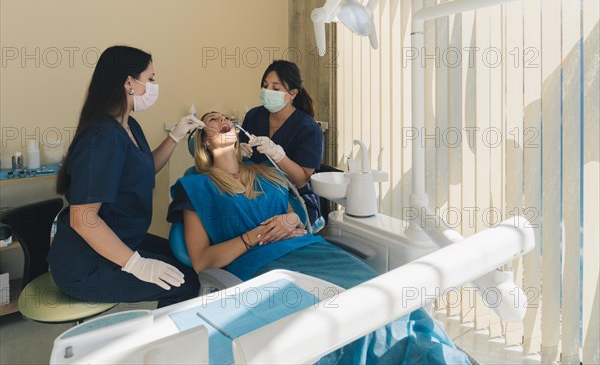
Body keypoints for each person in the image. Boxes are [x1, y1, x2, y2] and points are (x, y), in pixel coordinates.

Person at [167, 111, 471, 364]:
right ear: (203, 141)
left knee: (390, 301)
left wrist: (293, 218)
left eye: (226, 117)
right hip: (266, 270)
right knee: (352, 324)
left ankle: (440, 354)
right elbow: (202, 261)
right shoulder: (196, 187)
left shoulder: (266, 173)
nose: (223, 119)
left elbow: (296, 218)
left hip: (312, 250)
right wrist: (254, 236)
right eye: (212, 119)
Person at [49, 46, 201, 308]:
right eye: (150, 78)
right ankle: (166, 344)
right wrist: (136, 264)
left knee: (191, 263)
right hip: (86, 263)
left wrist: (175, 136)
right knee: (186, 283)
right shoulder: (101, 138)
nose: (154, 86)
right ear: (129, 83)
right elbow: (83, 220)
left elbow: (143, 169)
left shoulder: (128, 125)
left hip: (122, 236)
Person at [240, 60, 324, 228]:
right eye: (265, 86)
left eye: (275, 89)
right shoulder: (253, 116)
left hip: (293, 197)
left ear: (292, 94)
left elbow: (300, 181)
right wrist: (238, 151)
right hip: (255, 191)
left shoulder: (309, 129)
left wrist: (277, 154)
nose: (267, 91)